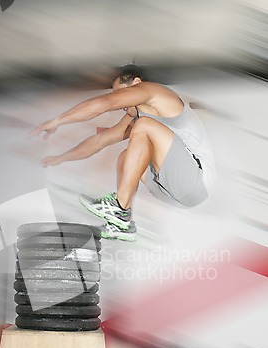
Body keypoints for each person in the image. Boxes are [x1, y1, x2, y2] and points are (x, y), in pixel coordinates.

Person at [31, 65, 215, 241]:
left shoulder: (154, 92)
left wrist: (57, 121)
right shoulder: (135, 118)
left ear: (136, 83)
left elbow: (104, 104)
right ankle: (123, 224)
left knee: (143, 126)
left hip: (197, 181)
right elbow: (99, 142)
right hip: (168, 189)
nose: (120, 103)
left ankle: (120, 209)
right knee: (125, 157)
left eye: (120, 93)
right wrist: (60, 158)